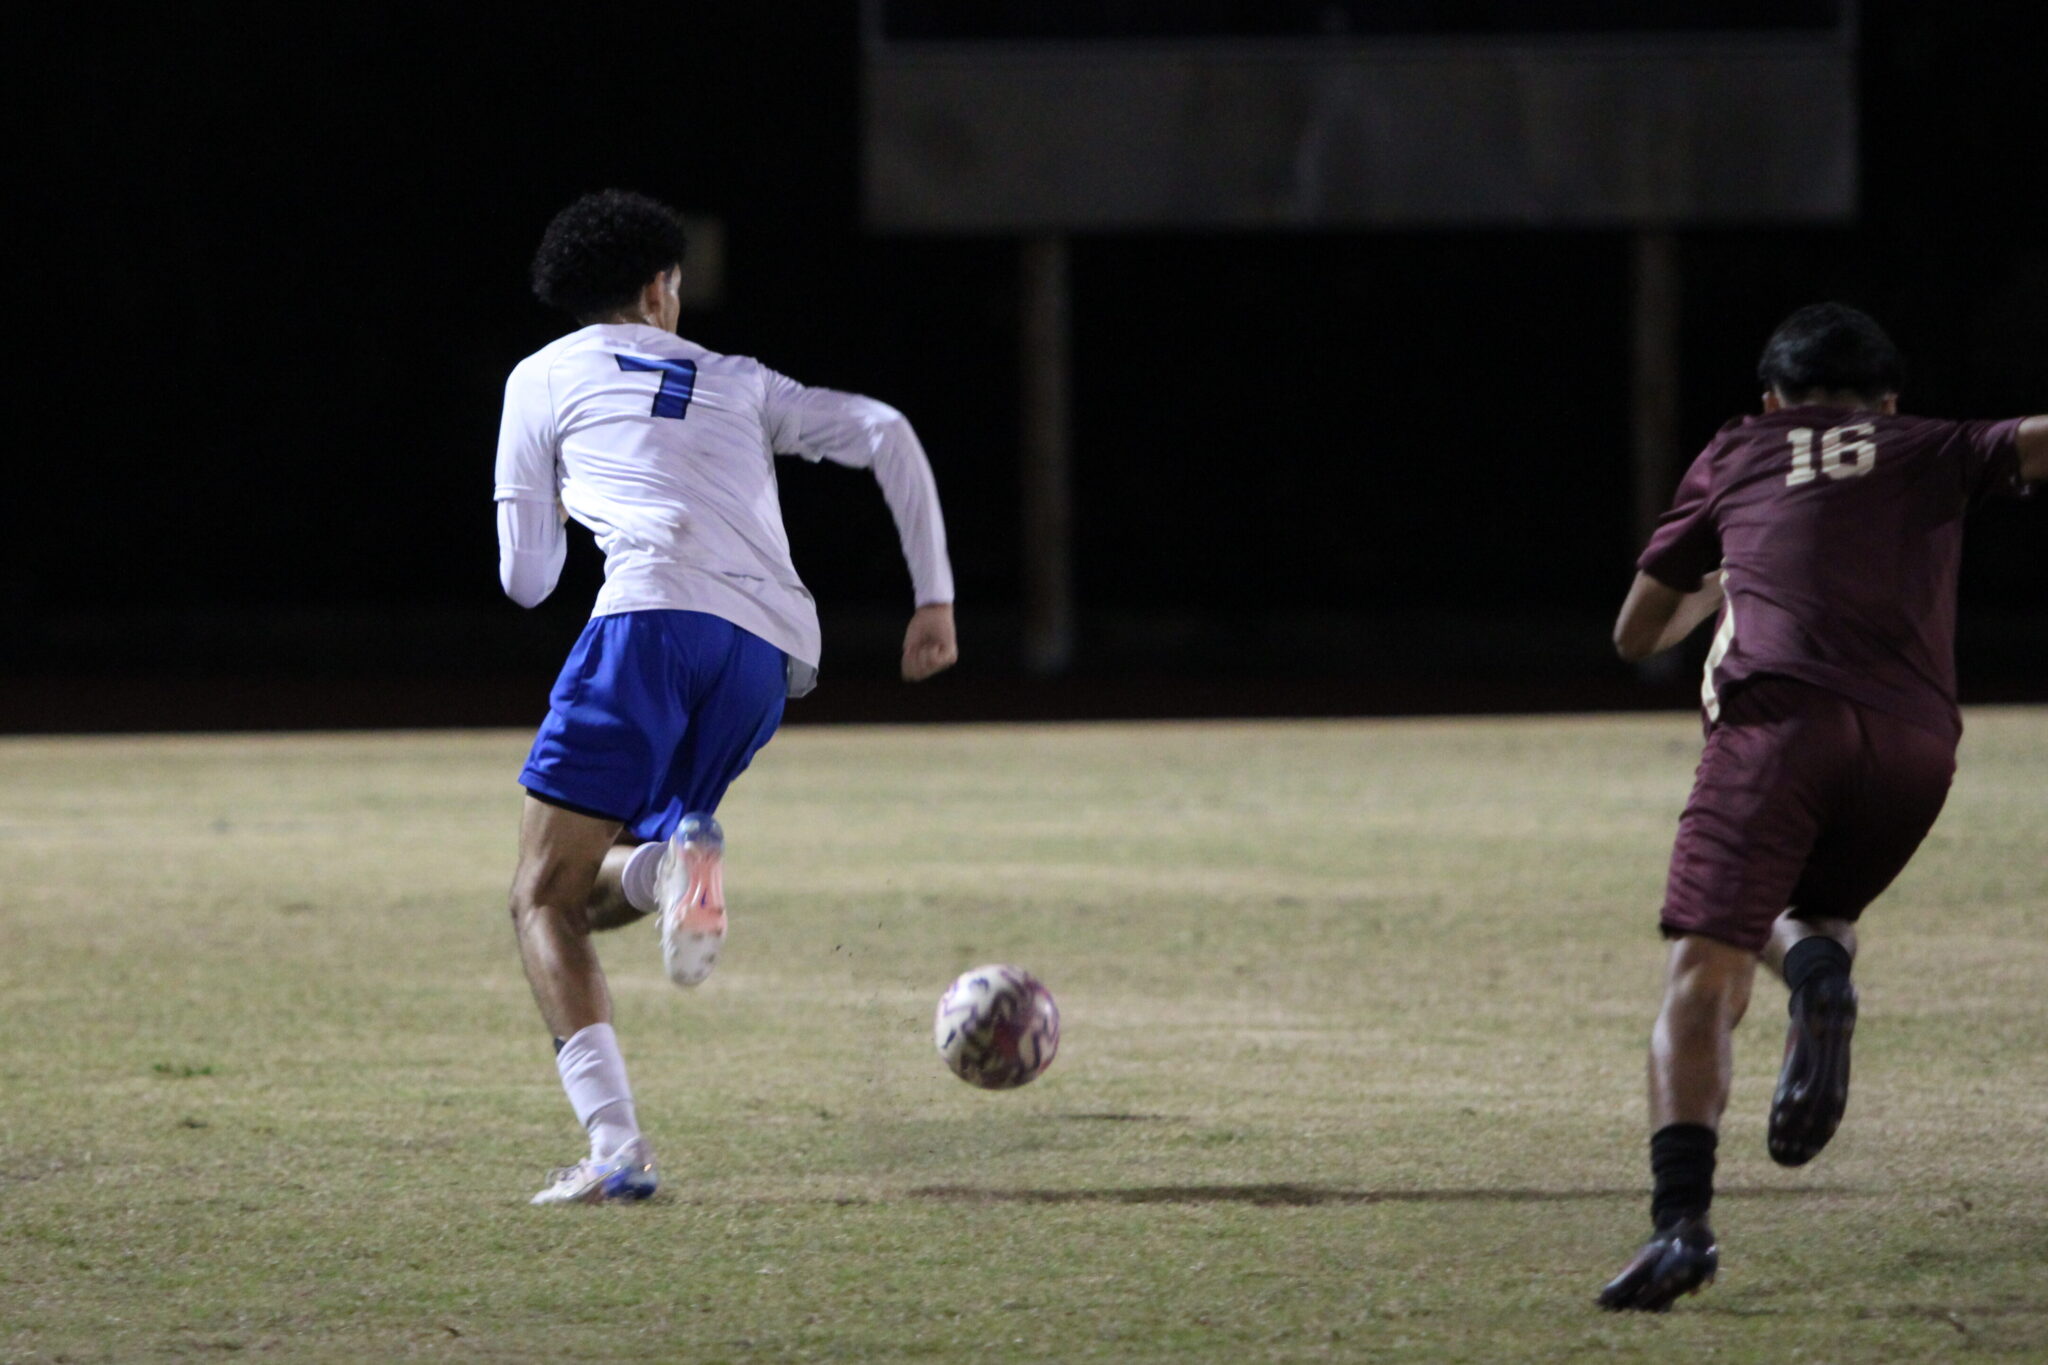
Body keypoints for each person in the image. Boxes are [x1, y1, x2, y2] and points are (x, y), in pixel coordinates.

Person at [494, 189, 959, 1205]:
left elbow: (526, 580)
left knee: (535, 895)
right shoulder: (740, 380)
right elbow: (883, 429)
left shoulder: (537, 378)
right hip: (767, 655)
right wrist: (933, 599)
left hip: (648, 624)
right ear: (660, 290)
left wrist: (569, 502)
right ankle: (669, 870)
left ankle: (617, 1150)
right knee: (582, 892)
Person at [1596, 303, 2046, 1310]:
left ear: (1769, 401)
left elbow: (1633, 633)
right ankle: (1814, 969)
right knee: (1817, 906)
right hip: (1915, 753)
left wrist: (1712, 590)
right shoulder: (1931, 446)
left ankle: (1680, 1227)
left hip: (1777, 731)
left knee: (1701, 967)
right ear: (1888, 402)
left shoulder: (1737, 449)